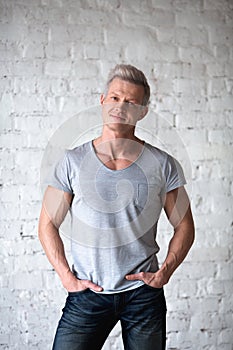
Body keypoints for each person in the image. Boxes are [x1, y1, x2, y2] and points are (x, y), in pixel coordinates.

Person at [38, 64, 195, 350]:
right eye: (114, 97)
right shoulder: (72, 161)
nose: (120, 106)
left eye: (130, 102)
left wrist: (165, 272)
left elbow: (184, 225)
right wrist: (66, 276)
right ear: (102, 100)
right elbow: (47, 223)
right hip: (87, 295)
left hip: (143, 296)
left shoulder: (162, 164)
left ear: (142, 112)